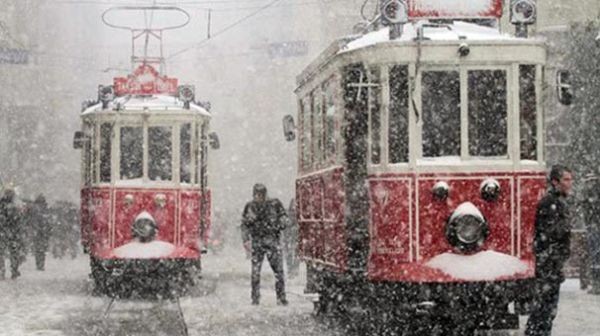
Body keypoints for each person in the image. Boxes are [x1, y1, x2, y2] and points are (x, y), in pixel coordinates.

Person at [525, 165, 574, 336]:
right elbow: (549, 235)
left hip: (552, 264)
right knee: (543, 311)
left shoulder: (558, 202)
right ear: (555, 182)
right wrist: (553, 260)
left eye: (570, 179)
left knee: (546, 311)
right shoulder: (550, 203)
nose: (570, 183)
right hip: (548, 265)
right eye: (566, 179)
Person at [241, 183, 289, 305]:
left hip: (271, 240)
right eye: (256, 195)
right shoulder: (251, 206)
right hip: (259, 241)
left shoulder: (274, 204)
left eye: (260, 195)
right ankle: (255, 297)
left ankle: (280, 297)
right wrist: (246, 239)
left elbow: (284, 218)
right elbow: (244, 225)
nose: (259, 197)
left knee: (277, 271)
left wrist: (278, 226)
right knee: (256, 272)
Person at [582, 172, 600, 294]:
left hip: (593, 227)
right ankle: (595, 283)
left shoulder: (589, 195)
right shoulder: (589, 196)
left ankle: (595, 283)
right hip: (593, 227)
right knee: (595, 256)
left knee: (595, 256)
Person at [0, 188, 24, 279]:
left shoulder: (2, 204)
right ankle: (14, 270)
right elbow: (19, 220)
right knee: (14, 253)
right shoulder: (16, 205)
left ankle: (2, 271)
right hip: (13, 233)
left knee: (2, 253)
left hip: (3, 232)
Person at [30, 195, 52, 270]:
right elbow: (49, 221)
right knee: (41, 249)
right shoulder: (45, 209)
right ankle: (41, 264)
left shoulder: (34, 209)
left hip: (38, 232)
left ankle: (39, 264)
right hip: (43, 232)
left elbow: (31, 220)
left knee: (38, 249)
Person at [282, 198, 300, 278]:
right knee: (290, 254)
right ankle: (291, 270)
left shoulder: (297, 215)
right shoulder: (288, 215)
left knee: (295, 254)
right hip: (289, 237)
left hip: (294, 237)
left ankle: (294, 270)